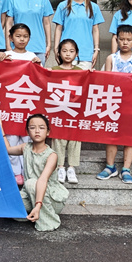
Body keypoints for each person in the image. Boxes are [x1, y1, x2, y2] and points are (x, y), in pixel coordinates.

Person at [97, 24, 132, 184]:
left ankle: (126, 168)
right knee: (111, 135)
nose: (125, 42)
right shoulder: (111, 58)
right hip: (114, 103)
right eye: (122, 39)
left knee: (130, 137)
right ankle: (110, 166)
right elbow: (105, 81)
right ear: (117, 40)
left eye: (128, 39)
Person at [2, 114, 69, 232]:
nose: (37, 131)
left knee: (31, 183)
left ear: (48, 132)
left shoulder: (51, 155)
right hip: (30, 193)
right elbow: (8, 149)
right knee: (9, 203)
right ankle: (34, 214)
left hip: (51, 198)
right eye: (32, 128)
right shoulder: (25, 148)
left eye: (41, 128)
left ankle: (48, 220)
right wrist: (1, 129)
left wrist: (38, 205)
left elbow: (42, 180)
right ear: (28, 132)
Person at [0, 23, 41, 185]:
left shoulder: (32, 56)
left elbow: (40, 80)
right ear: (10, 38)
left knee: (27, 138)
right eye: (18, 36)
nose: (21, 39)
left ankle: (27, 172)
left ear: (29, 38)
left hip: (27, 104)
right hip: (10, 105)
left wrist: (38, 65)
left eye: (25, 36)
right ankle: (15, 172)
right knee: (11, 139)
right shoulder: (6, 55)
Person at [52, 0, 104, 69]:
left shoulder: (93, 7)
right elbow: (58, 28)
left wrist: (96, 49)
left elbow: (95, 29)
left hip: (86, 53)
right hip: (66, 52)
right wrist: (56, 49)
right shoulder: (63, 6)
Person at [5, 0, 53, 64]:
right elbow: (9, 23)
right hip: (17, 47)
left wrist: (48, 45)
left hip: (38, 47)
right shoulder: (13, 0)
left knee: (37, 73)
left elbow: (47, 23)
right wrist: (8, 45)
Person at [52, 38, 83, 184]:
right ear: (58, 53)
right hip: (58, 110)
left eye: (71, 51)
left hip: (74, 111)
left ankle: (71, 168)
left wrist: (91, 74)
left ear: (76, 54)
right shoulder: (53, 70)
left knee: (75, 138)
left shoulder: (81, 71)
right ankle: (60, 167)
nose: (68, 54)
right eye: (64, 51)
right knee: (58, 138)